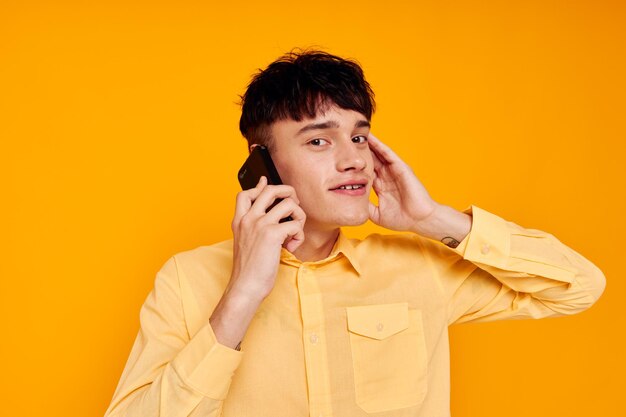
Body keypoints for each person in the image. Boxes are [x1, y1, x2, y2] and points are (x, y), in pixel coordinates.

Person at [104, 49, 606, 417]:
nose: (353, 159)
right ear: (262, 166)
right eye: (319, 139)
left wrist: (434, 219)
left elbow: (579, 286)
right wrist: (241, 296)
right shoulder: (188, 281)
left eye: (359, 136)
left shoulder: (420, 266)